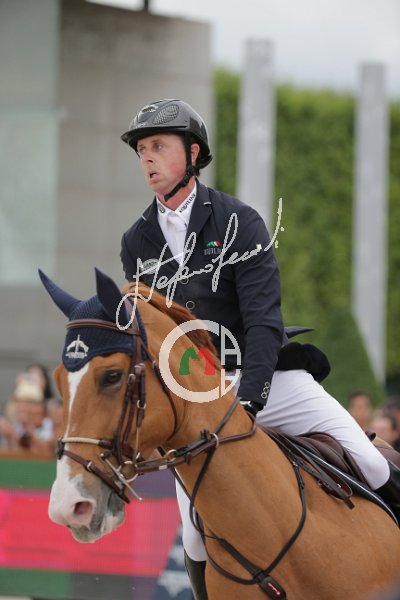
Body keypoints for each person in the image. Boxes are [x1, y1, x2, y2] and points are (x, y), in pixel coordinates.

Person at [119, 99, 400, 599]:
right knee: (195, 537)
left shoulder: (239, 221)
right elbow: (156, 338)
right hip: (201, 401)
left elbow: (263, 321)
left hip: (270, 380)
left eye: (158, 145)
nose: (148, 158)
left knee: (374, 464)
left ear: (193, 153)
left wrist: (249, 398)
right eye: (142, 150)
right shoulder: (135, 242)